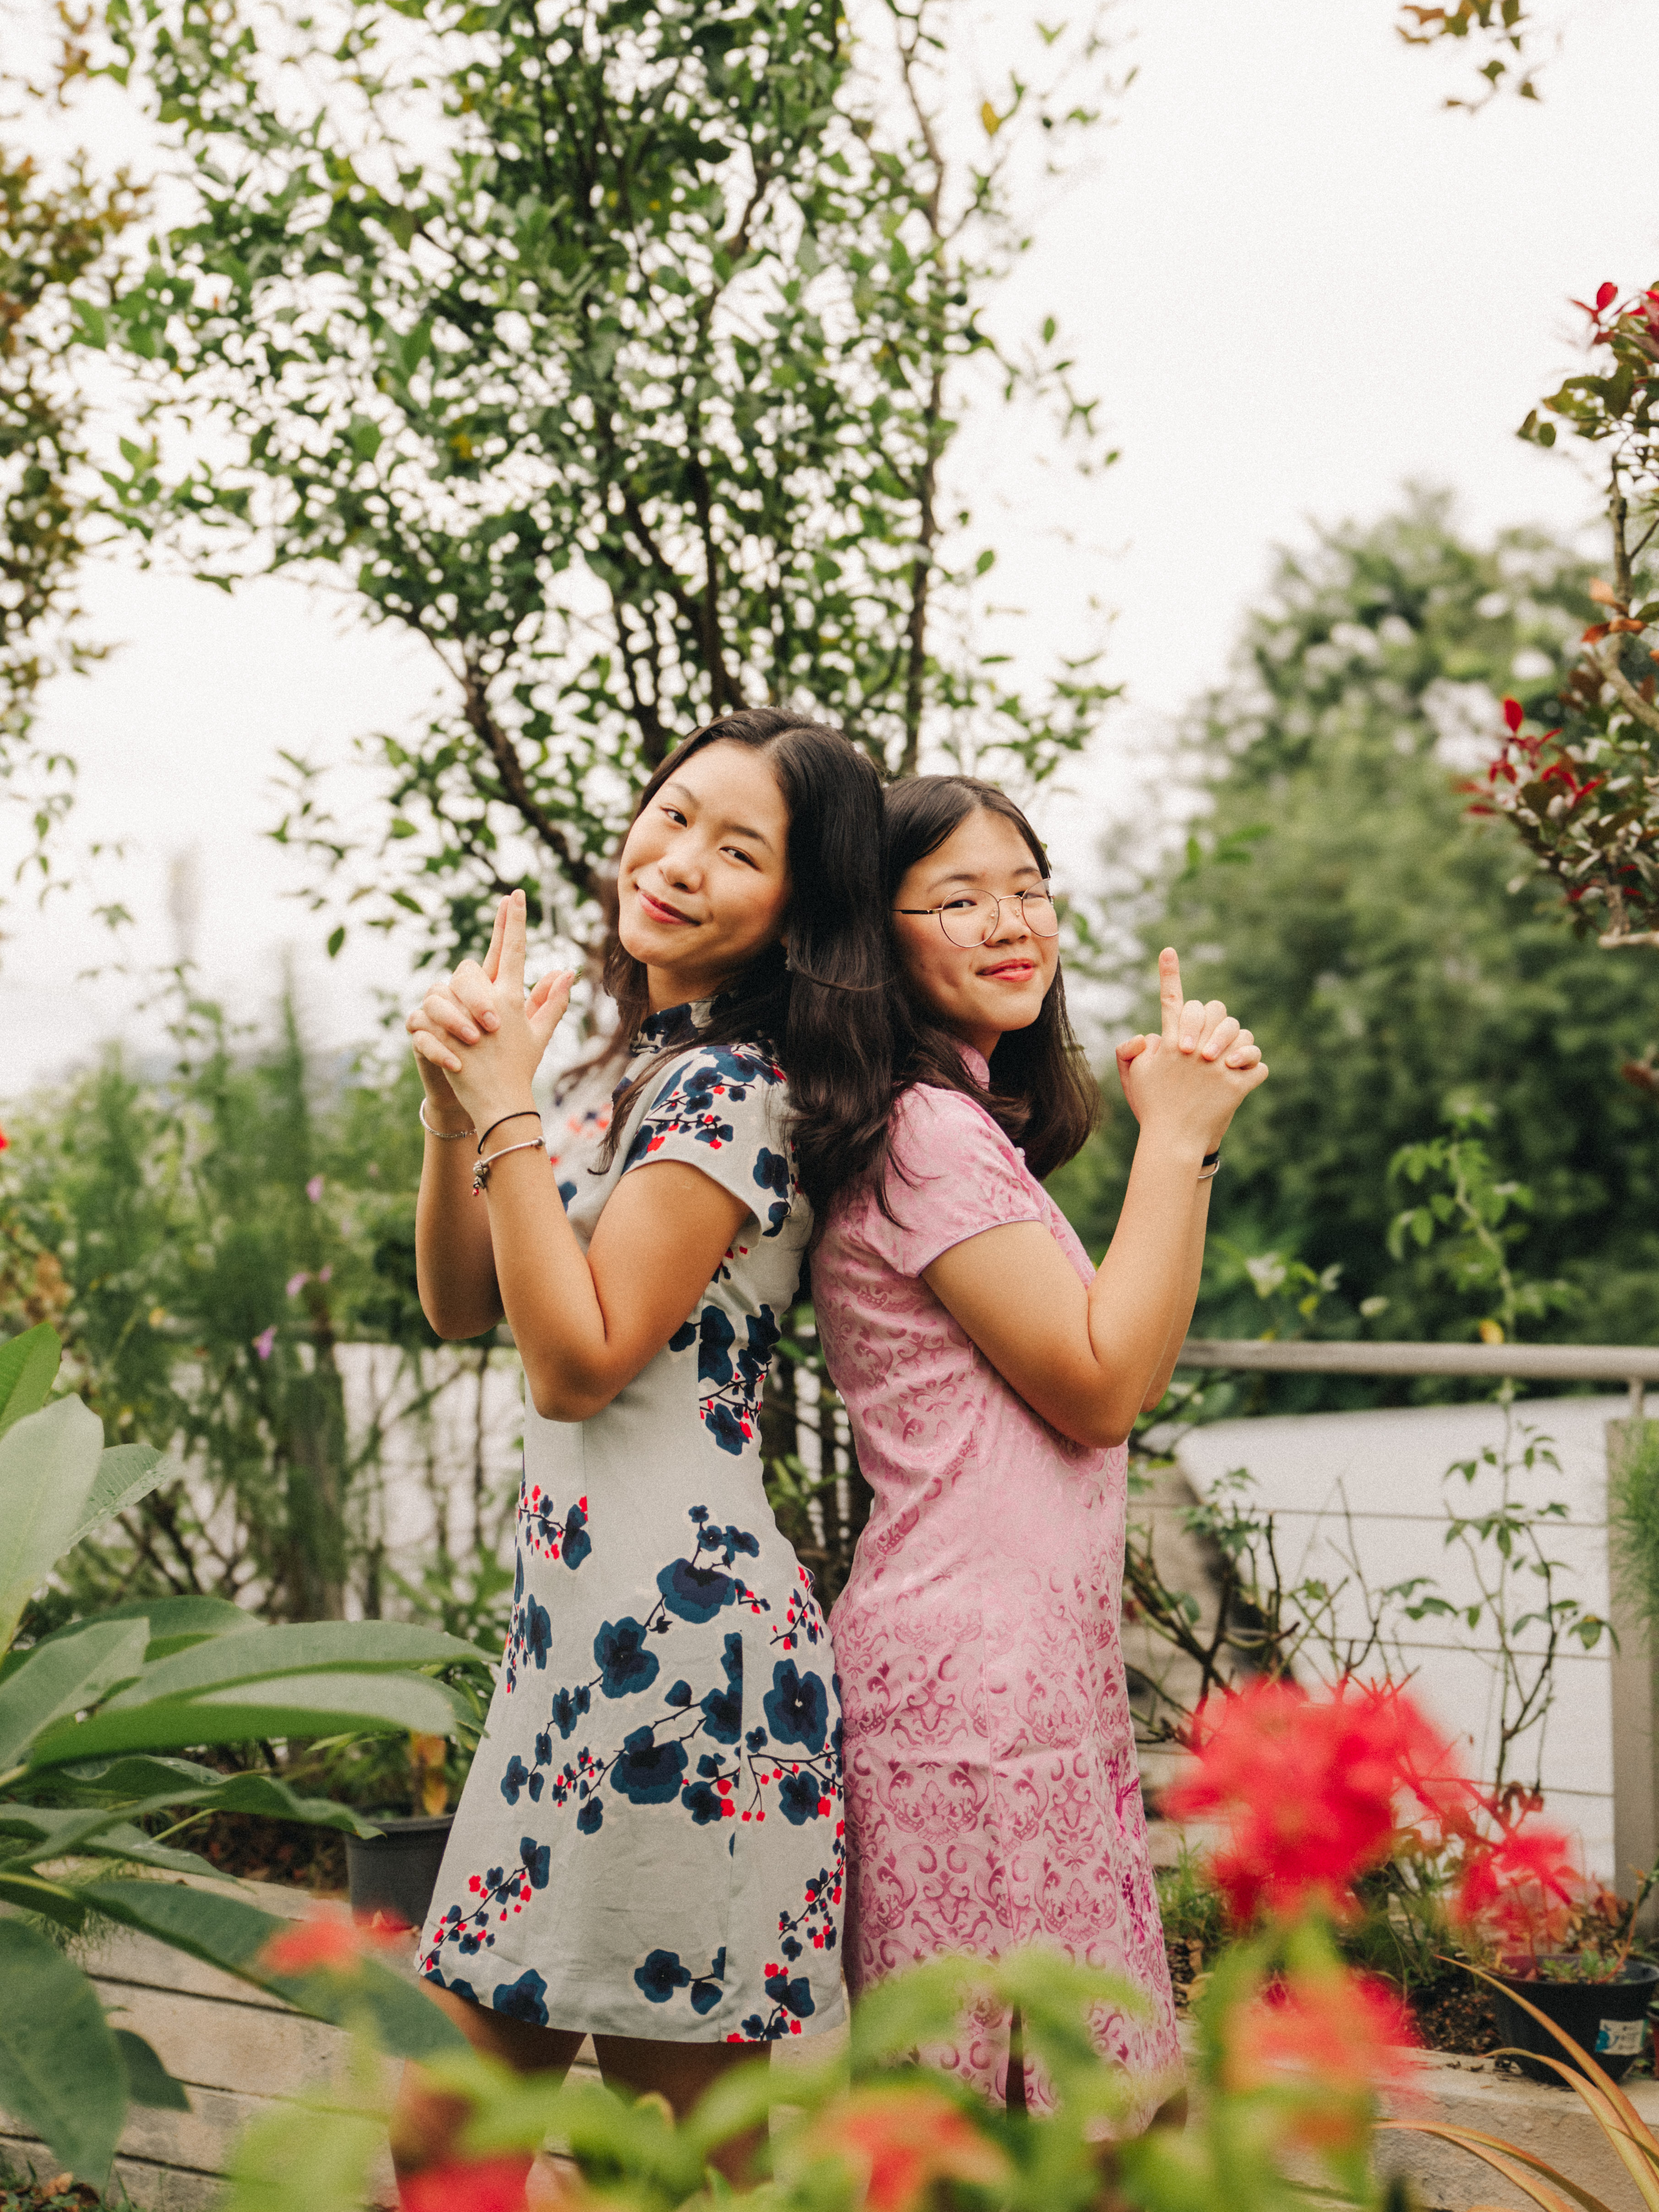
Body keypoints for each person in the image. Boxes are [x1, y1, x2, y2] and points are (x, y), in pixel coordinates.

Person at [395, 708, 891, 2191]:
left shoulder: (735, 1090)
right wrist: (456, 1111)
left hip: (683, 1661)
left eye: (740, 851)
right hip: (574, 1651)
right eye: (675, 815)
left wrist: (506, 1118)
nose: (677, 862)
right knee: (453, 2136)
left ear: (799, 913)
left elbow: (575, 1364)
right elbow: (460, 1301)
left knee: (682, 2158)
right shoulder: (635, 1076)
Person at [809, 773, 1268, 2118]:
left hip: (1021, 1689)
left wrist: (1184, 1149)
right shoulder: (925, 1132)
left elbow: (1112, 1361)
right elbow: (1103, 1385)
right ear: (876, 938)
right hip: (968, 1700)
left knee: (1085, 2112)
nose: (1011, 922)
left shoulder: (962, 1124)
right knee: (998, 2132)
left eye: (1027, 887)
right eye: (958, 898)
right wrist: (1175, 1141)